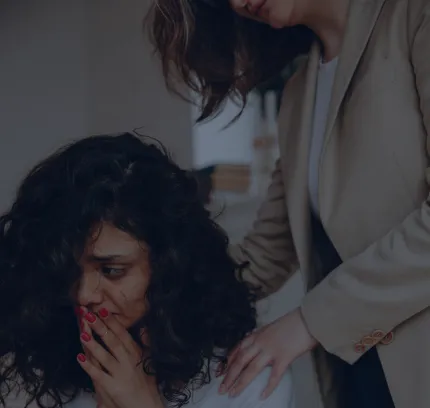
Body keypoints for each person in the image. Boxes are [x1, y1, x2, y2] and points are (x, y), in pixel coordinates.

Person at [145, 0, 430, 407]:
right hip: (362, 368)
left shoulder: (415, 18)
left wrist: (308, 321)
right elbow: (264, 256)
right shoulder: (300, 92)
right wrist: (144, 294)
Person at [0, 133, 295, 408]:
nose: (84, 295)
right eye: (68, 270)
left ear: (171, 264)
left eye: (111, 270)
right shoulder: (44, 363)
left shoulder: (248, 379)